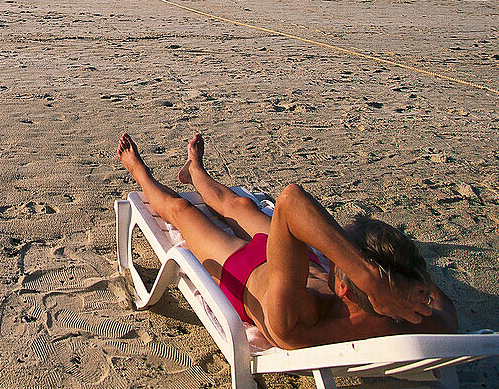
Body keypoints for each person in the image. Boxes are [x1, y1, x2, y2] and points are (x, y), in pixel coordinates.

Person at [117, 132, 456, 350]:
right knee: (238, 205)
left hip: (246, 269)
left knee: (181, 209)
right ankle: (195, 172)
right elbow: (443, 304)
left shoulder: (299, 317)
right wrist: (398, 285)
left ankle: (139, 172)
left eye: (340, 256)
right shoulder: (409, 316)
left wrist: (370, 277)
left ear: (344, 288)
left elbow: (291, 201)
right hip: (295, 259)